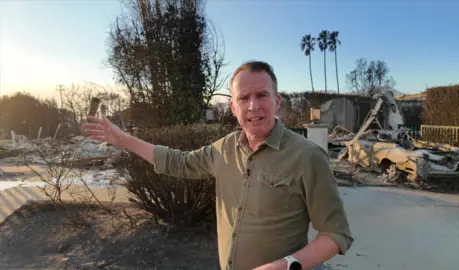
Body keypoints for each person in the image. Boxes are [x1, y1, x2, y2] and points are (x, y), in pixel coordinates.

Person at [82, 61, 353, 270]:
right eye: (243, 98)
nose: (253, 106)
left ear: (277, 101)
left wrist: (287, 265)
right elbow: (178, 162)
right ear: (233, 108)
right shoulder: (224, 149)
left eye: (262, 95)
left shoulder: (307, 156)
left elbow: (336, 233)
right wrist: (123, 139)